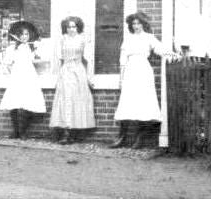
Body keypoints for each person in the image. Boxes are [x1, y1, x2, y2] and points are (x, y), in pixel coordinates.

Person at [110, 12, 179, 149]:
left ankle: (139, 139)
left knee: (142, 102)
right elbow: (123, 59)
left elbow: (160, 49)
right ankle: (122, 138)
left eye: (138, 23)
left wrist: (173, 54)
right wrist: (121, 79)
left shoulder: (149, 38)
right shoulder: (128, 39)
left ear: (143, 24)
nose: (136, 26)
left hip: (143, 71)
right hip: (130, 71)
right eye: (134, 24)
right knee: (127, 102)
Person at [49, 16, 96, 144]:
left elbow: (88, 60)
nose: (71, 29)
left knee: (77, 99)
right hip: (66, 71)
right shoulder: (62, 40)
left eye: (74, 27)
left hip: (78, 71)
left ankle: (75, 131)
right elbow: (59, 59)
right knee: (66, 99)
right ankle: (66, 131)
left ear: (78, 28)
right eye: (69, 27)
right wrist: (57, 76)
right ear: (66, 28)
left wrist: (89, 78)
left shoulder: (82, 40)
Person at [0, 21, 46, 139]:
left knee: (29, 102)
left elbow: (39, 61)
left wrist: (37, 49)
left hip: (29, 76)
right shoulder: (12, 48)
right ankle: (16, 131)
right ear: (18, 36)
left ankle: (23, 130)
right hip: (17, 76)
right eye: (22, 34)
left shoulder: (32, 48)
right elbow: (7, 63)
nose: (25, 37)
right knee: (14, 103)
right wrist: (13, 73)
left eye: (27, 34)